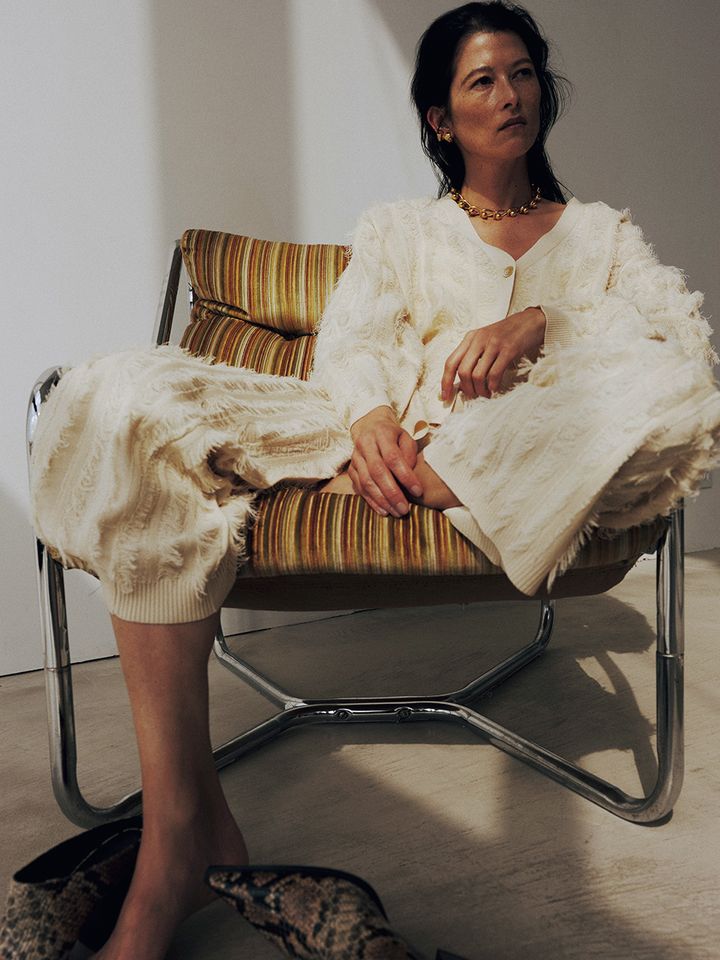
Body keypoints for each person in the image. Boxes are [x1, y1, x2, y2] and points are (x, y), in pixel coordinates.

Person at [22, 2, 720, 958]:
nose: (510, 95)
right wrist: (369, 418)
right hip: (377, 438)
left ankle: (462, 472)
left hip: (537, 430)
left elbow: (676, 344)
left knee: (676, 382)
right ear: (441, 117)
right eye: (482, 80)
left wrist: (542, 323)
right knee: (120, 398)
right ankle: (183, 828)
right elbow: (352, 343)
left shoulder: (599, 234)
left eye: (522, 73)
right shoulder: (400, 230)